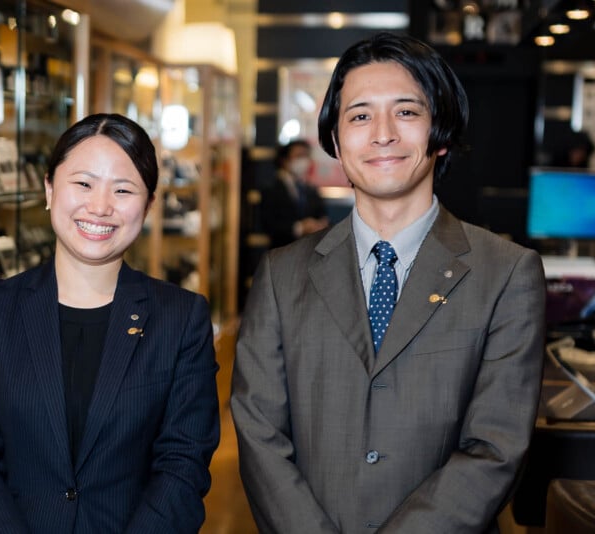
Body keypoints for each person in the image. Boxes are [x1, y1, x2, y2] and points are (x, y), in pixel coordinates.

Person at [231, 32, 546, 533]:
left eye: (406, 112)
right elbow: (259, 432)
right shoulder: (280, 275)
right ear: (336, 142)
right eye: (360, 116)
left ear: (440, 133)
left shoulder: (507, 273)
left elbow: (495, 448)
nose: (383, 134)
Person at [0, 113, 220, 533]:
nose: (100, 206)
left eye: (123, 190)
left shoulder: (181, 318)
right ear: (50, 189)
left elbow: (183, 465)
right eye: (84, 184)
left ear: (148, 205)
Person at [259, 139, 329, 248]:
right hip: (282, 250)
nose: (304, 161)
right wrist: (300, 227)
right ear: (285, 160)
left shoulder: (311, 189)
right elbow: (268, 224)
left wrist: (320, 225)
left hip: (309, 250)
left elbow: (323, 216)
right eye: (299, 156)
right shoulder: (271, 188)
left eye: (306, 156)